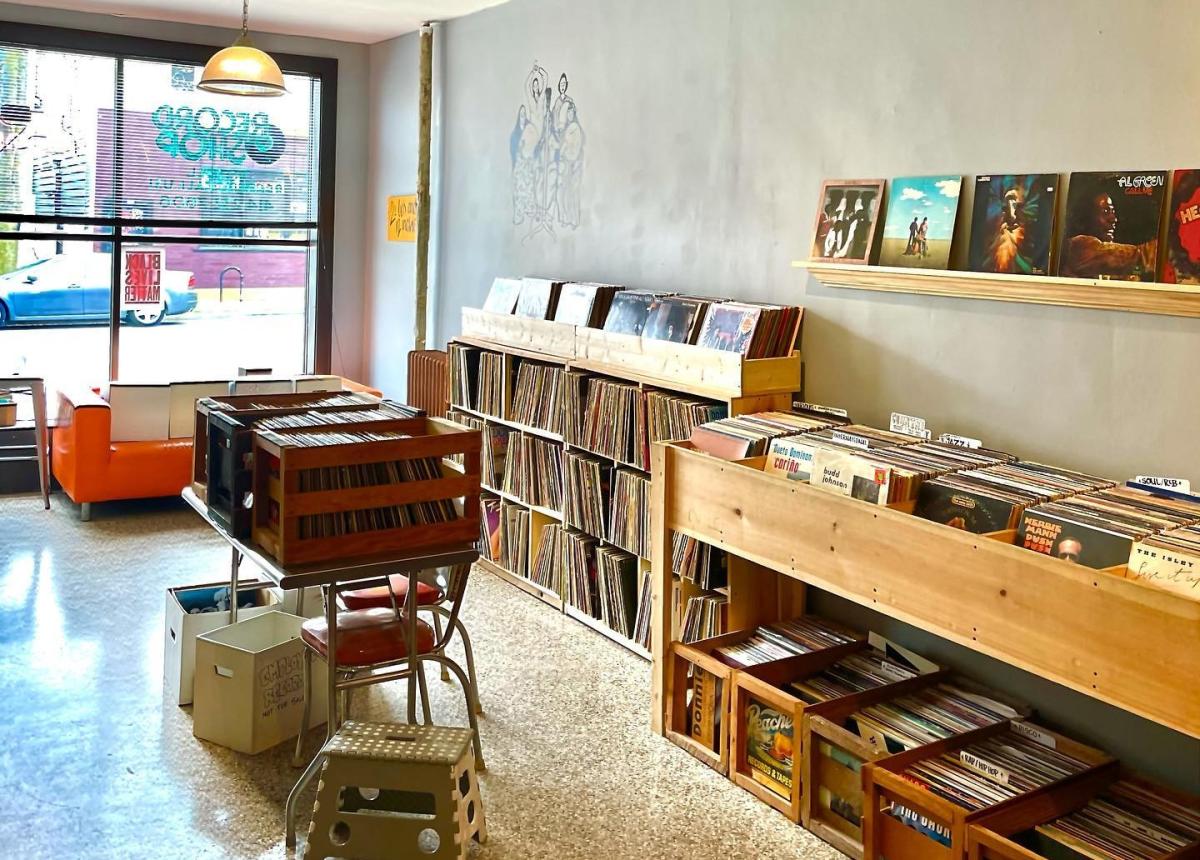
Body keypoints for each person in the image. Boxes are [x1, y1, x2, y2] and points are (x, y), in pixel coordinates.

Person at [1060, 190, 1156, 280]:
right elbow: (1139, 257)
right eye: (1105, 212)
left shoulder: (1099, 262)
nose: (1113, 219)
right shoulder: (1077, 247)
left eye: (1112, 212)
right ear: (1086, 217)